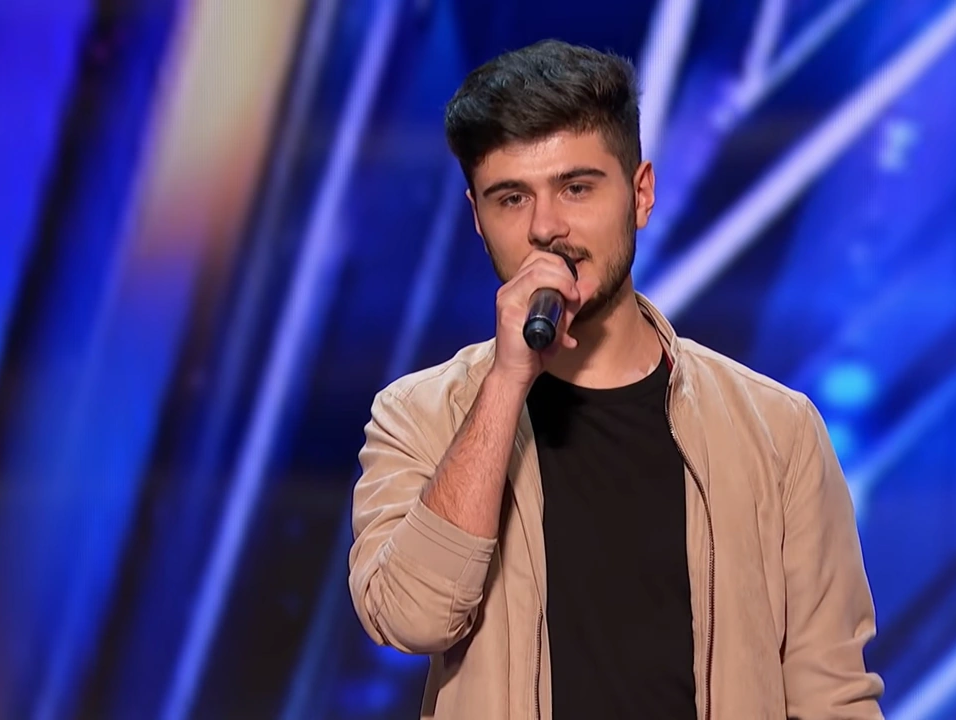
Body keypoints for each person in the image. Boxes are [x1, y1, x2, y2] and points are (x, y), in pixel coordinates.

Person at [347, 39, 884, 720]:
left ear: (641, 194)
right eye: (511, 198)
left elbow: (832, 694)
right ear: (477, 219)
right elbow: (411, 617)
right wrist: (507, 382)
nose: (547, 228)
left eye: (577, 188)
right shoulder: (417, 416)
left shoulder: (778, 432)